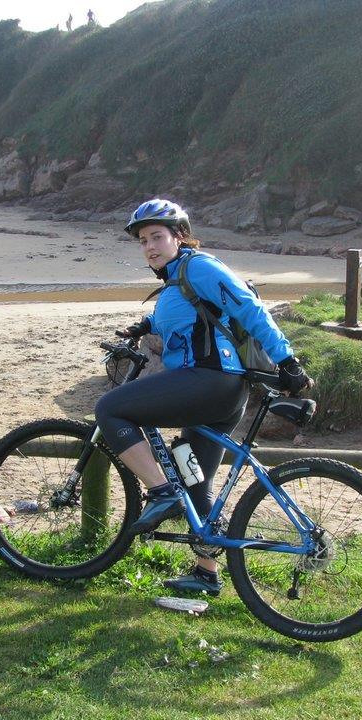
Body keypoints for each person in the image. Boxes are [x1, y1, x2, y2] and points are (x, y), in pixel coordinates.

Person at [95, 199, 313, 596]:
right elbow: (188, 318)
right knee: (194, 478)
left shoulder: (199, 267)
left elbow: (248, 308)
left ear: (179, 236)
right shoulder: (177, 278)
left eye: (157, 237)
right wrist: (144, 325)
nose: (149, 247)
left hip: (209, 382)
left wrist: (288, 361)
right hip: (219, 391)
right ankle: (206, 573)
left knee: (109, 408)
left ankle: (161, 493)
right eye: (143, 241)